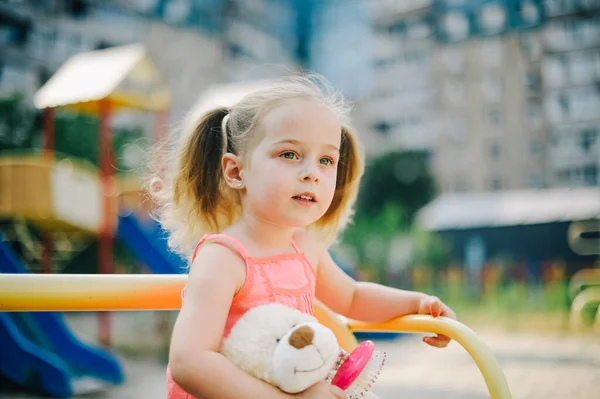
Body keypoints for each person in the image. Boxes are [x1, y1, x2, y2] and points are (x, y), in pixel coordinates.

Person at [152, 75, 456, 399]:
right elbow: (189, 361)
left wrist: (418, 305)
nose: (312, 172)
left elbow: (352, 297)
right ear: (236, 172)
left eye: (326, 160)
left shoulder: (304, 247)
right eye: (290, 154)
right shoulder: (224, 257)